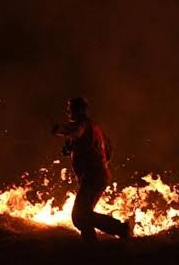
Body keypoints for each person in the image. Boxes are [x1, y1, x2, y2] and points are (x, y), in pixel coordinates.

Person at [51, 97, 133, 243]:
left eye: (71, 108)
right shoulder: (94, 127)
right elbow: (108, 148)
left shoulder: (81, 125)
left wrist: (60, 130)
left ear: (80, 110)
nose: (68, 111)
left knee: (79, 216)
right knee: (83, 216)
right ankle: (91, 247)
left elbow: (75, 131)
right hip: (96, 175)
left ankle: (122, 229)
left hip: (93, 177)